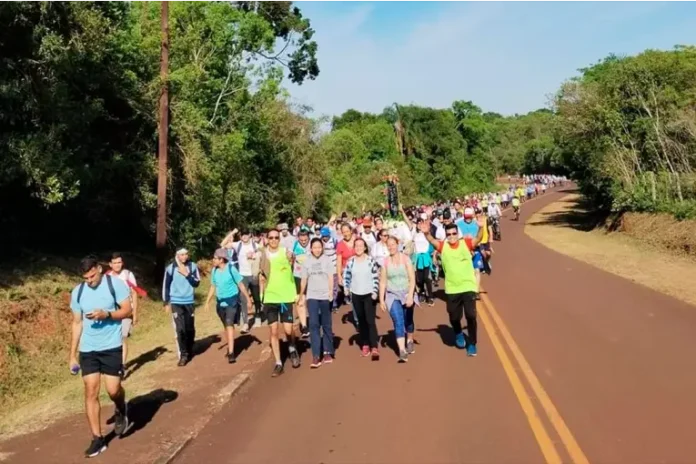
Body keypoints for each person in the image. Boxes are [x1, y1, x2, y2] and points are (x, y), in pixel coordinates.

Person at [69, 256, 133, 458]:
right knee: (90, 390)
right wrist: (72, 355)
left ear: (99, 269)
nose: (89, 281)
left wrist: (107, 314)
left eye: (92, 276)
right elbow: (77, 323)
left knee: (113, 390)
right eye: (85, 278)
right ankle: (97, 439)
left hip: (111, 346)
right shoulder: (78, 292)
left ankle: (121, 407)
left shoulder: (116, 285)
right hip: (88, 349)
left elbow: (127, 310)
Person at [422, 222, 482, 356]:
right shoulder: (443, 246)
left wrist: (481, 227)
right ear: (446, 235)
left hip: (468, 286)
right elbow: (432, 240)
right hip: (452, 288)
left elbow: (478, 238)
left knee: (471, 316)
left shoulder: (466, 243)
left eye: (454, 233)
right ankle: (458, 332)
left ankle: (472, 343)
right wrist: (426, 233)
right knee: (454, 317)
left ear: (458, 233)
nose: (452, 236)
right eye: (448, 234)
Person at [259, 229, 301, 377]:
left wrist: (297, 293)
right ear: (267, 239)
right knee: (273, 331)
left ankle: (292, 346)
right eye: (271, 237)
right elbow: (261, 276)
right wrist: (261, 295)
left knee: (288, 330)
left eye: (276, 237)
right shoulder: (263, 255)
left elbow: (293, 261)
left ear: (279, 239)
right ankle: (278, 363)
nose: (274, 240)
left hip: (285, 297)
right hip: (270, 297)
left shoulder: (285, 252)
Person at [204, 248, 253, 364]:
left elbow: (241, 285)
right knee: (226, 326)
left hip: (232, 302)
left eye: (215, 258)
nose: (213, 260)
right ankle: (230, 346)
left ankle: (231, 353)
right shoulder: (214, 271)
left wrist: (248, 299)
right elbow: (213, 286)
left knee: (229, 323)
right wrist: (207, 301)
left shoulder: (231, 269)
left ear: (221, 259)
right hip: (220, 303)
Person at [379, 236, 417, 363]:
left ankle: (410, 339)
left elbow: (412, 279)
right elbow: (383, 282)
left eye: (393, 244)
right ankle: (402, 350)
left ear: (397, 244)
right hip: (392, 294)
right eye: (388, 245)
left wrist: (410, 295)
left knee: (408, 320)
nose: (391, 247)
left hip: (406, 292)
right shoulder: (385, 262)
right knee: (398, 320)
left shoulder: (406, 259)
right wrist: (381, 299)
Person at [299, 238, 335, 368]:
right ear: (311, 249)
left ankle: (327, 352)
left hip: (325, 296)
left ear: (322, 248)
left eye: (319, 247)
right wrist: (301, 295)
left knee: (326, 324)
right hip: (312, 296)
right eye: (315, 247)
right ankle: (315, 355)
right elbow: (304, 279)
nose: (317, 250)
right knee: (314, 324)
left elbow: (331, 277)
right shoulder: (307, 262)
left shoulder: (327, 260)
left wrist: (331, 292)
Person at [162, 248, 201, 367]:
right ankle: (183, 355)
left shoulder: (193, 266)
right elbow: (166, 286)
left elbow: (196, 283)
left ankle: (189, 349)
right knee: (180, 329)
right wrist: (166, 302)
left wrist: (187, 274)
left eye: (186, 254)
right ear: (177, 256)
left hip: (189, 301)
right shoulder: (170, 268)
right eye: (181, 255)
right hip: (176, 302)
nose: (184, 257)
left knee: (189, 329)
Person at [343, 238, 380, 360]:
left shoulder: (370, 261)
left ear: (365, 248)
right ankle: (365, 344)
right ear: (354, 248)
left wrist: (375, 291)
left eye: (361, 245)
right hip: (356, 294)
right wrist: (346, 288)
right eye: (356, 246)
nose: (358, 248)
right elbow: (346, 276)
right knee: (361, 320)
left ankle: (374, 346)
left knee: (370, 320)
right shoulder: (351, 261)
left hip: (369, 294)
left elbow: (375, 276)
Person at [106, 252, 140, 371]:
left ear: (122, 263)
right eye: (114, 263)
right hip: (112, 313)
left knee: (122, 337)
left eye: (119, 262)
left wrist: (135, 313)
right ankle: (114, 362)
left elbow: (134, 294)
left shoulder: (128, 275)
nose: (117, 265)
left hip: (127, 312)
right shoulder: (107, 277)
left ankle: (121, 365)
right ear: (110, 264)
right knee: (113, 339)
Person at [291, 228, 312, 338]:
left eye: (305, 240)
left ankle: (314, 322)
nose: (303, 242)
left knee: (312, 301)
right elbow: (289, 259)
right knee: (301, 300)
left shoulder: (313, 244)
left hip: (312, 277)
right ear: (298, 238)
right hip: (298, 276)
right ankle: (304, 326)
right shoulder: (294, 245)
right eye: (301, 240)